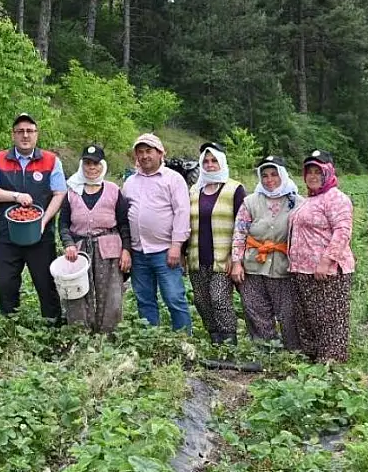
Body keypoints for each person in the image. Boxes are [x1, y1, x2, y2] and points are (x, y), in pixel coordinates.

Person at [0, 113, 67, 322]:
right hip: (8, 235)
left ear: (37, 134)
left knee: (46, 284)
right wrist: (15, 196)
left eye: (30, 131)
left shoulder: (51, 160)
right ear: (13, 135)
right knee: (6, 284)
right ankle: (10, 327)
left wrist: (43, 221)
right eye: (20, 131)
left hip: (40, 236)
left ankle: (52, 326)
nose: (25, 135)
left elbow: (60, 193)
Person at [288, 150, 355, 362]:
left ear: (329, 172)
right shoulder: (308, 200)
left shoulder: (335, 198)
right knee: (308, 316)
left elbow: (343, 230)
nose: (313, 176)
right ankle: (312, 360)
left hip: (327, 271)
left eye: (319, 171)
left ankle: (331, 364)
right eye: (310, 172)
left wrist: (326, 261)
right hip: (302, 269)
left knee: (329, 318)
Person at [230, 155, 303, 350]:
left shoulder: (297, 202)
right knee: (254, 308)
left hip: (284, 266)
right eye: (265, 176)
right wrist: (237, 263)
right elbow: (240, 233)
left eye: (274, 175)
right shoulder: (250, 202)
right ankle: (266, 349)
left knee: (288, 312)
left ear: (283, 175)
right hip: (253, 264)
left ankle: (292, 352)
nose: (269, 180)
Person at [122, 133, 192, 332]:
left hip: (165, 251)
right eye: (140, 152)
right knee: (144, 299)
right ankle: (152, 339)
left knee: (174, 298)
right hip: (138, 251)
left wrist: (176, 245)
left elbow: (182, 212)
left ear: (161, 153)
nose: (144, 156)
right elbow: (125, 214)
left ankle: (183, 339)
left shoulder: (173, 179)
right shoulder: (130, 182)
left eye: (149, 151)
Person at [58, 145, 131, 332]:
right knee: (79, 292)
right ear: (82, 165)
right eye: (88, 163)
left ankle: (108, 334)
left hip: (109, 251)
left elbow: (124, 224)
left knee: (111, 294)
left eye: (96, 163)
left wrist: (126, 251)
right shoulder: (72, 191)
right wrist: (69, 244)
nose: (92, 168)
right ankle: (81, 332)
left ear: (103, 165)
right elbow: (64, 224)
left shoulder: (114, 190)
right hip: (80, 251)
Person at [186, 143, 246, 344]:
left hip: (222, 258)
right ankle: (215, 341)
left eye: (214, 161)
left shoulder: (234, 189)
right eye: (206, 161)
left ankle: (230, 342)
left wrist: (235, 256)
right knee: (202, 302)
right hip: (197, 257)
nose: (210, 165)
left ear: (222, 162)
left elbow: (242, 225)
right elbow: (187, 224)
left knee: (219, 299)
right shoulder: (195, 190)